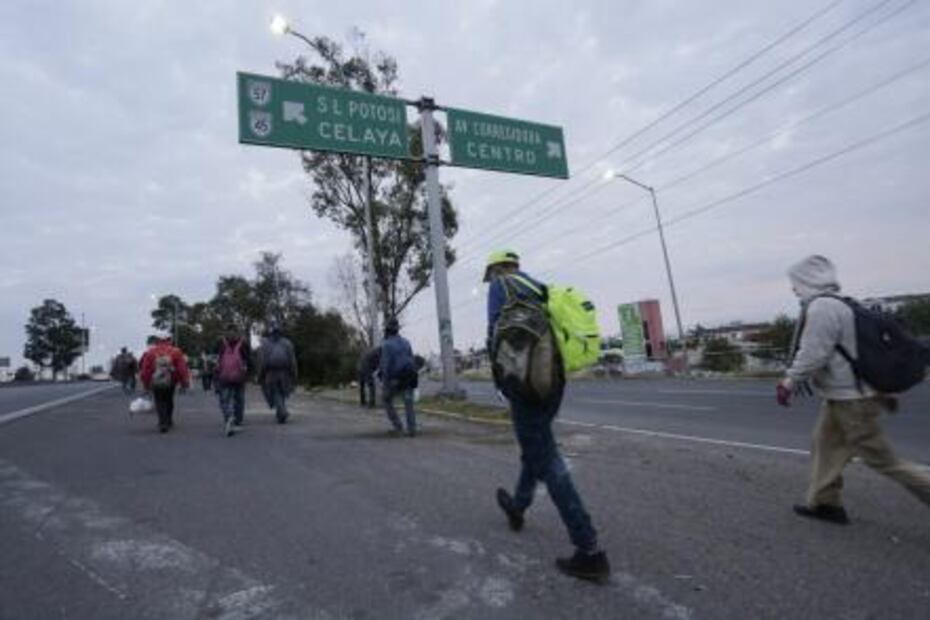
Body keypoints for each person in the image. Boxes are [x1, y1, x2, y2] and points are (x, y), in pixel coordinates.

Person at [484, 249, 610, 582]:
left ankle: (589, 549)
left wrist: (501, 384)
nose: (491, 279)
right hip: (553, 380)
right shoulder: (539, 287)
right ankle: (518, 507)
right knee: (536, 445)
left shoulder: (501, 287)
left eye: (491, 273)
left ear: (497, 268)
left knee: (547, 459)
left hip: (525, 384)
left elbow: (494, 336)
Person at [778, 255, 930, 524]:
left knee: (884, 461)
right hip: (844, 396)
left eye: (795, 282)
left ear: (806, 281)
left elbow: (814, 353)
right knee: (823, 444)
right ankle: (826, 503)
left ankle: (827, 501)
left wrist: (789, 381)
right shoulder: (842, 304)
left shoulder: (822, 308)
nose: (793, 288)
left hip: (852, 401)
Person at [139, 337, 190, 433]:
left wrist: (146, 384)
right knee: (169, 399)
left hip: (156, 381)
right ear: (169, 340)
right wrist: (184, 382)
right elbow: (182, 369)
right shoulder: (176, 351)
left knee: (159, 401)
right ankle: (169, 420)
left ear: (157, 341)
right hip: (171, 381)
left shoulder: (151, 352)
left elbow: (146, 370)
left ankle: (162, 422)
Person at [379, 317, 418, 436]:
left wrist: (385, 383)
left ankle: (398, 426)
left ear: (386, 331)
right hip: (410, 376)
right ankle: (412, 429)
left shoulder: (386, 345)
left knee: (386, 399)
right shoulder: (406, 342)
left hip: (396, 377)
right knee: (408, 402)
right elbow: (411, 358)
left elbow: (386, 366)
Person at [214, 323, 253, 437]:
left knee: (224, 399)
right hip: (239, 376)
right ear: (237, 332)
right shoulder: (243, 343)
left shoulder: (220, 343)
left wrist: (215, 373)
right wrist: (250, 374)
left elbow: (214, 358)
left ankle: (229, 417)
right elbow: (249, 359)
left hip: (224, 375)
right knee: (239, 399)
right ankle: (238, 421)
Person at [258, 324, 298, 424]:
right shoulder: (287, 343)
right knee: (281, 392)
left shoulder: (265, 344)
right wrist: (294, 373)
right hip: (284, 372)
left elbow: (263, 361)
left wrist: (261, 375)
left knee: (276, 392)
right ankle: (281, 412)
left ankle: (282, 412)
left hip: (271, 372)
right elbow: (292, 360)